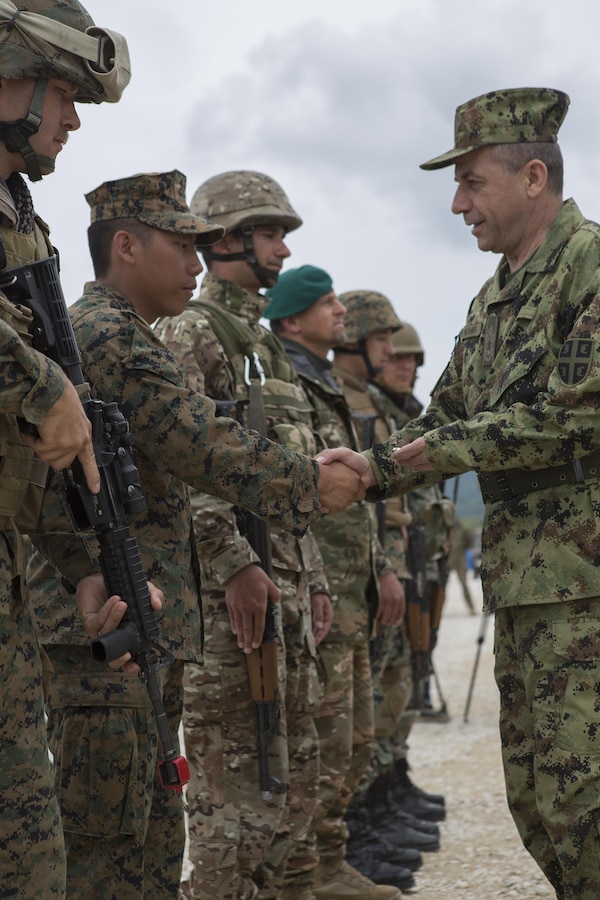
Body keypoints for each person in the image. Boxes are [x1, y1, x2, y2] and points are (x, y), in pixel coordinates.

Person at [27, 169, 363, 899]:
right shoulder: (108, 339)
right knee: (107, 847)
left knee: (149, 832)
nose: (196, 264)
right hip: (101, 629)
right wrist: (312, 480)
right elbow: (202, 441)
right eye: (183, 246)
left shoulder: (124, 334)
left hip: (136, 622)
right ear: (125, 246)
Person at [318, 86, 600, 900]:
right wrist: (347, 468)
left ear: (533, 178)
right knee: (538, 803)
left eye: (472, 182)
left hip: (585, 584)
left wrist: (384, 468)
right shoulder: (492, 300)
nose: (457, 204)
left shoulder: (588, 266)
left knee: (585, 806)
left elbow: (571, 419)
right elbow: (441, 419)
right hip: (523, 581)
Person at [155, 171, 335, 900]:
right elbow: (185, 458)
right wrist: (234, 564)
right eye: (272, 233)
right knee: (232, 800)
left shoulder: (258, 340)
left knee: (293, 785)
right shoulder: (190, 333)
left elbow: (290, 474)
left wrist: (314, 573)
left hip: (284, 585)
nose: (284, 247)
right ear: (227, 240)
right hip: (234, 606)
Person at [0, 2, 130, 895]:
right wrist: (39, 385)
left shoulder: (17, 215)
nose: (73, 119)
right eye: (67, 94)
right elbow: (38, 403)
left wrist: (83, 559)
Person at [263, 264, 414, 899]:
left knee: (351, 740)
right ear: (293, 320)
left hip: (351, 582)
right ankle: (310, 872)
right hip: (319, 590)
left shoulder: (326, 384)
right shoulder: (285, 379)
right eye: (327, 304)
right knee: (320, 744)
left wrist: (383, 564)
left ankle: (328, 863)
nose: (340, 312)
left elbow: (360, 497)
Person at [331, 292, 442, 861]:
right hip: (367, 569)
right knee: (368, 698)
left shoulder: (388, 404)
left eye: (412, 358)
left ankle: (385, 797)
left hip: (397, 559)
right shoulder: (351, 399)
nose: (400, 359)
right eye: (388, 346)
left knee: (393, 689)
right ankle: (364, 823)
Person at [447, 518, 475, 614]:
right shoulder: (447, 527)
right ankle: (436, 611)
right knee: (441, 585)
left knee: (464, 583)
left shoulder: (461, 528)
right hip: (448, 557)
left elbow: (469, 541)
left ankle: (471, 607)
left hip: (459, 557)